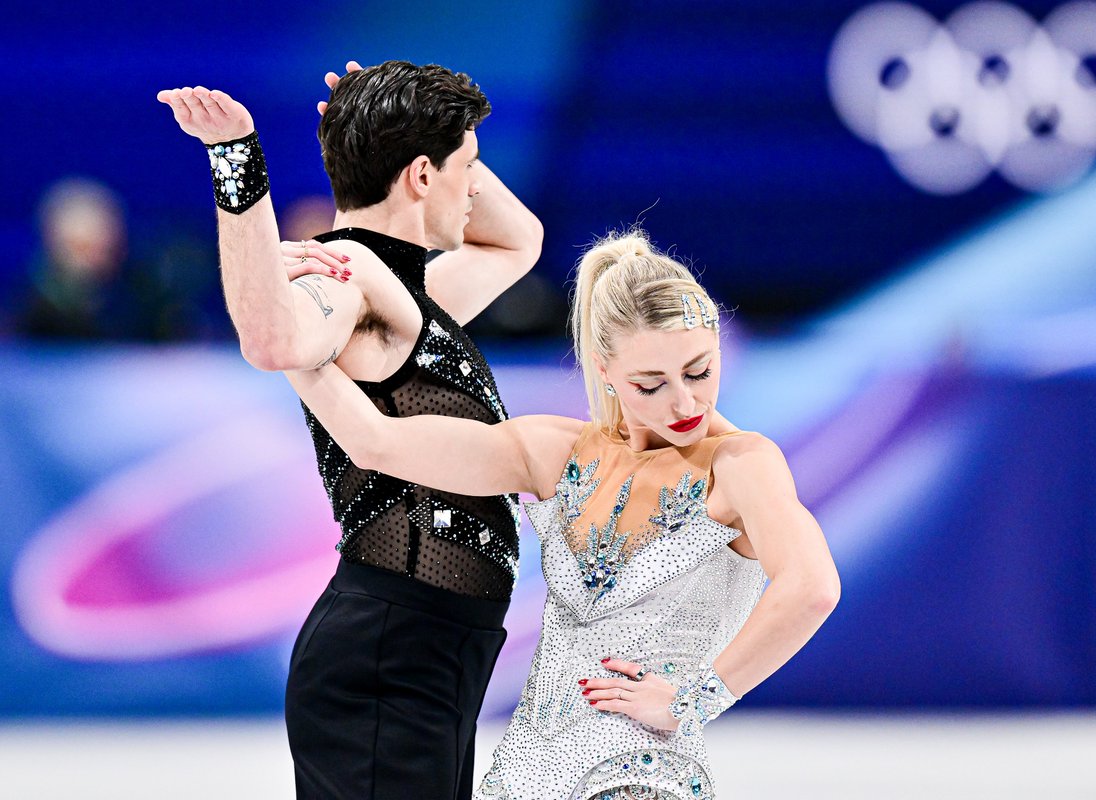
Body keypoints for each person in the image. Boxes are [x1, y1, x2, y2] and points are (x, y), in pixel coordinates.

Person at [288, 230, 840, 800]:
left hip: (642, 777)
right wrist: (285, 338)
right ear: (605, 371)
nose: (684, 403)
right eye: (650, 383)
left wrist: (695, 699)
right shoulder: (556, 451)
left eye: (699, 372)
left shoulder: (742, 465)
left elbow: (811, 587)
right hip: (525, 778)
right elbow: (376, 444)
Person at [158, 60, 543, 799]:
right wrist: (237, 159)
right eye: (471, 165)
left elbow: (517, 240)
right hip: (388, 653)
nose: (477, 186)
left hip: (432, 651)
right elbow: (272, 341)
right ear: (424, 177)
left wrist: (386, 123)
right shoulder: (347, 278)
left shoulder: (414, 289)